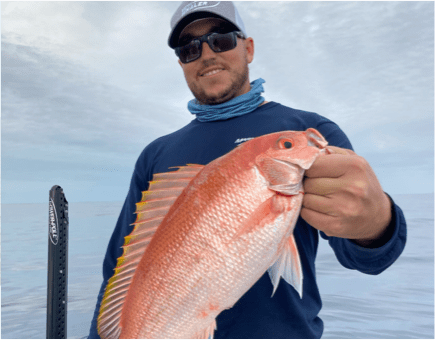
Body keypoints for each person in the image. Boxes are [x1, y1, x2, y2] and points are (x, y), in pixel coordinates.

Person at [88, 2, 407, 338]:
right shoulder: (156, 154)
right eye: (190, 48)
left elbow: (369, 259)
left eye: (221, 39)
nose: (207, 54)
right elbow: (119, 267)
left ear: (248, 48)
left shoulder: (308, 129)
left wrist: (376, 224)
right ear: (181, 63)